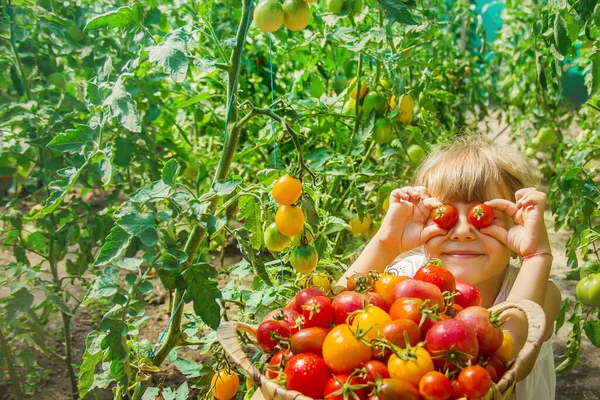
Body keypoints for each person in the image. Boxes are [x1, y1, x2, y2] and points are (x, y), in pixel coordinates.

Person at [337, 135, 561, 399]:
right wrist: (386, 245)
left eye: (484, 216)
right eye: (443, 216)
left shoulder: (541, 294)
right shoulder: (405, 279)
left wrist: (536, 256)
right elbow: (339, 307)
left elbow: (507, 352)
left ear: (516, 227)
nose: (463, 232)